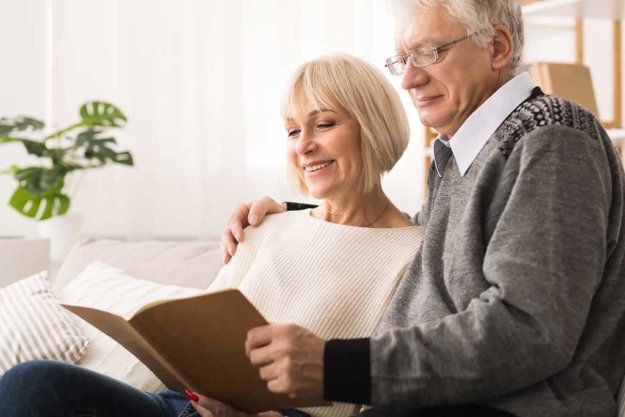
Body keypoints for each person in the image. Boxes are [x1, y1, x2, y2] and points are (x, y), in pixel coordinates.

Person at [220, 1, 625, 416]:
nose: (410, 79)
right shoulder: (464, 156)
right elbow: (418, 241)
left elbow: (530, 328)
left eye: (430, 52)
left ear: (498, 47)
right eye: (403, 59)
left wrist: (333, 366)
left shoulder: (552, 137)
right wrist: (294, 215)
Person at [0, 55, 424, 417]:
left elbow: (390, 392)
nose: (303, 146)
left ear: (373, 127)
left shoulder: (415, 254)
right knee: (31, 382)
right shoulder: (267, 225)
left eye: (324, 124)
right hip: (182, 406)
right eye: (293, 131)